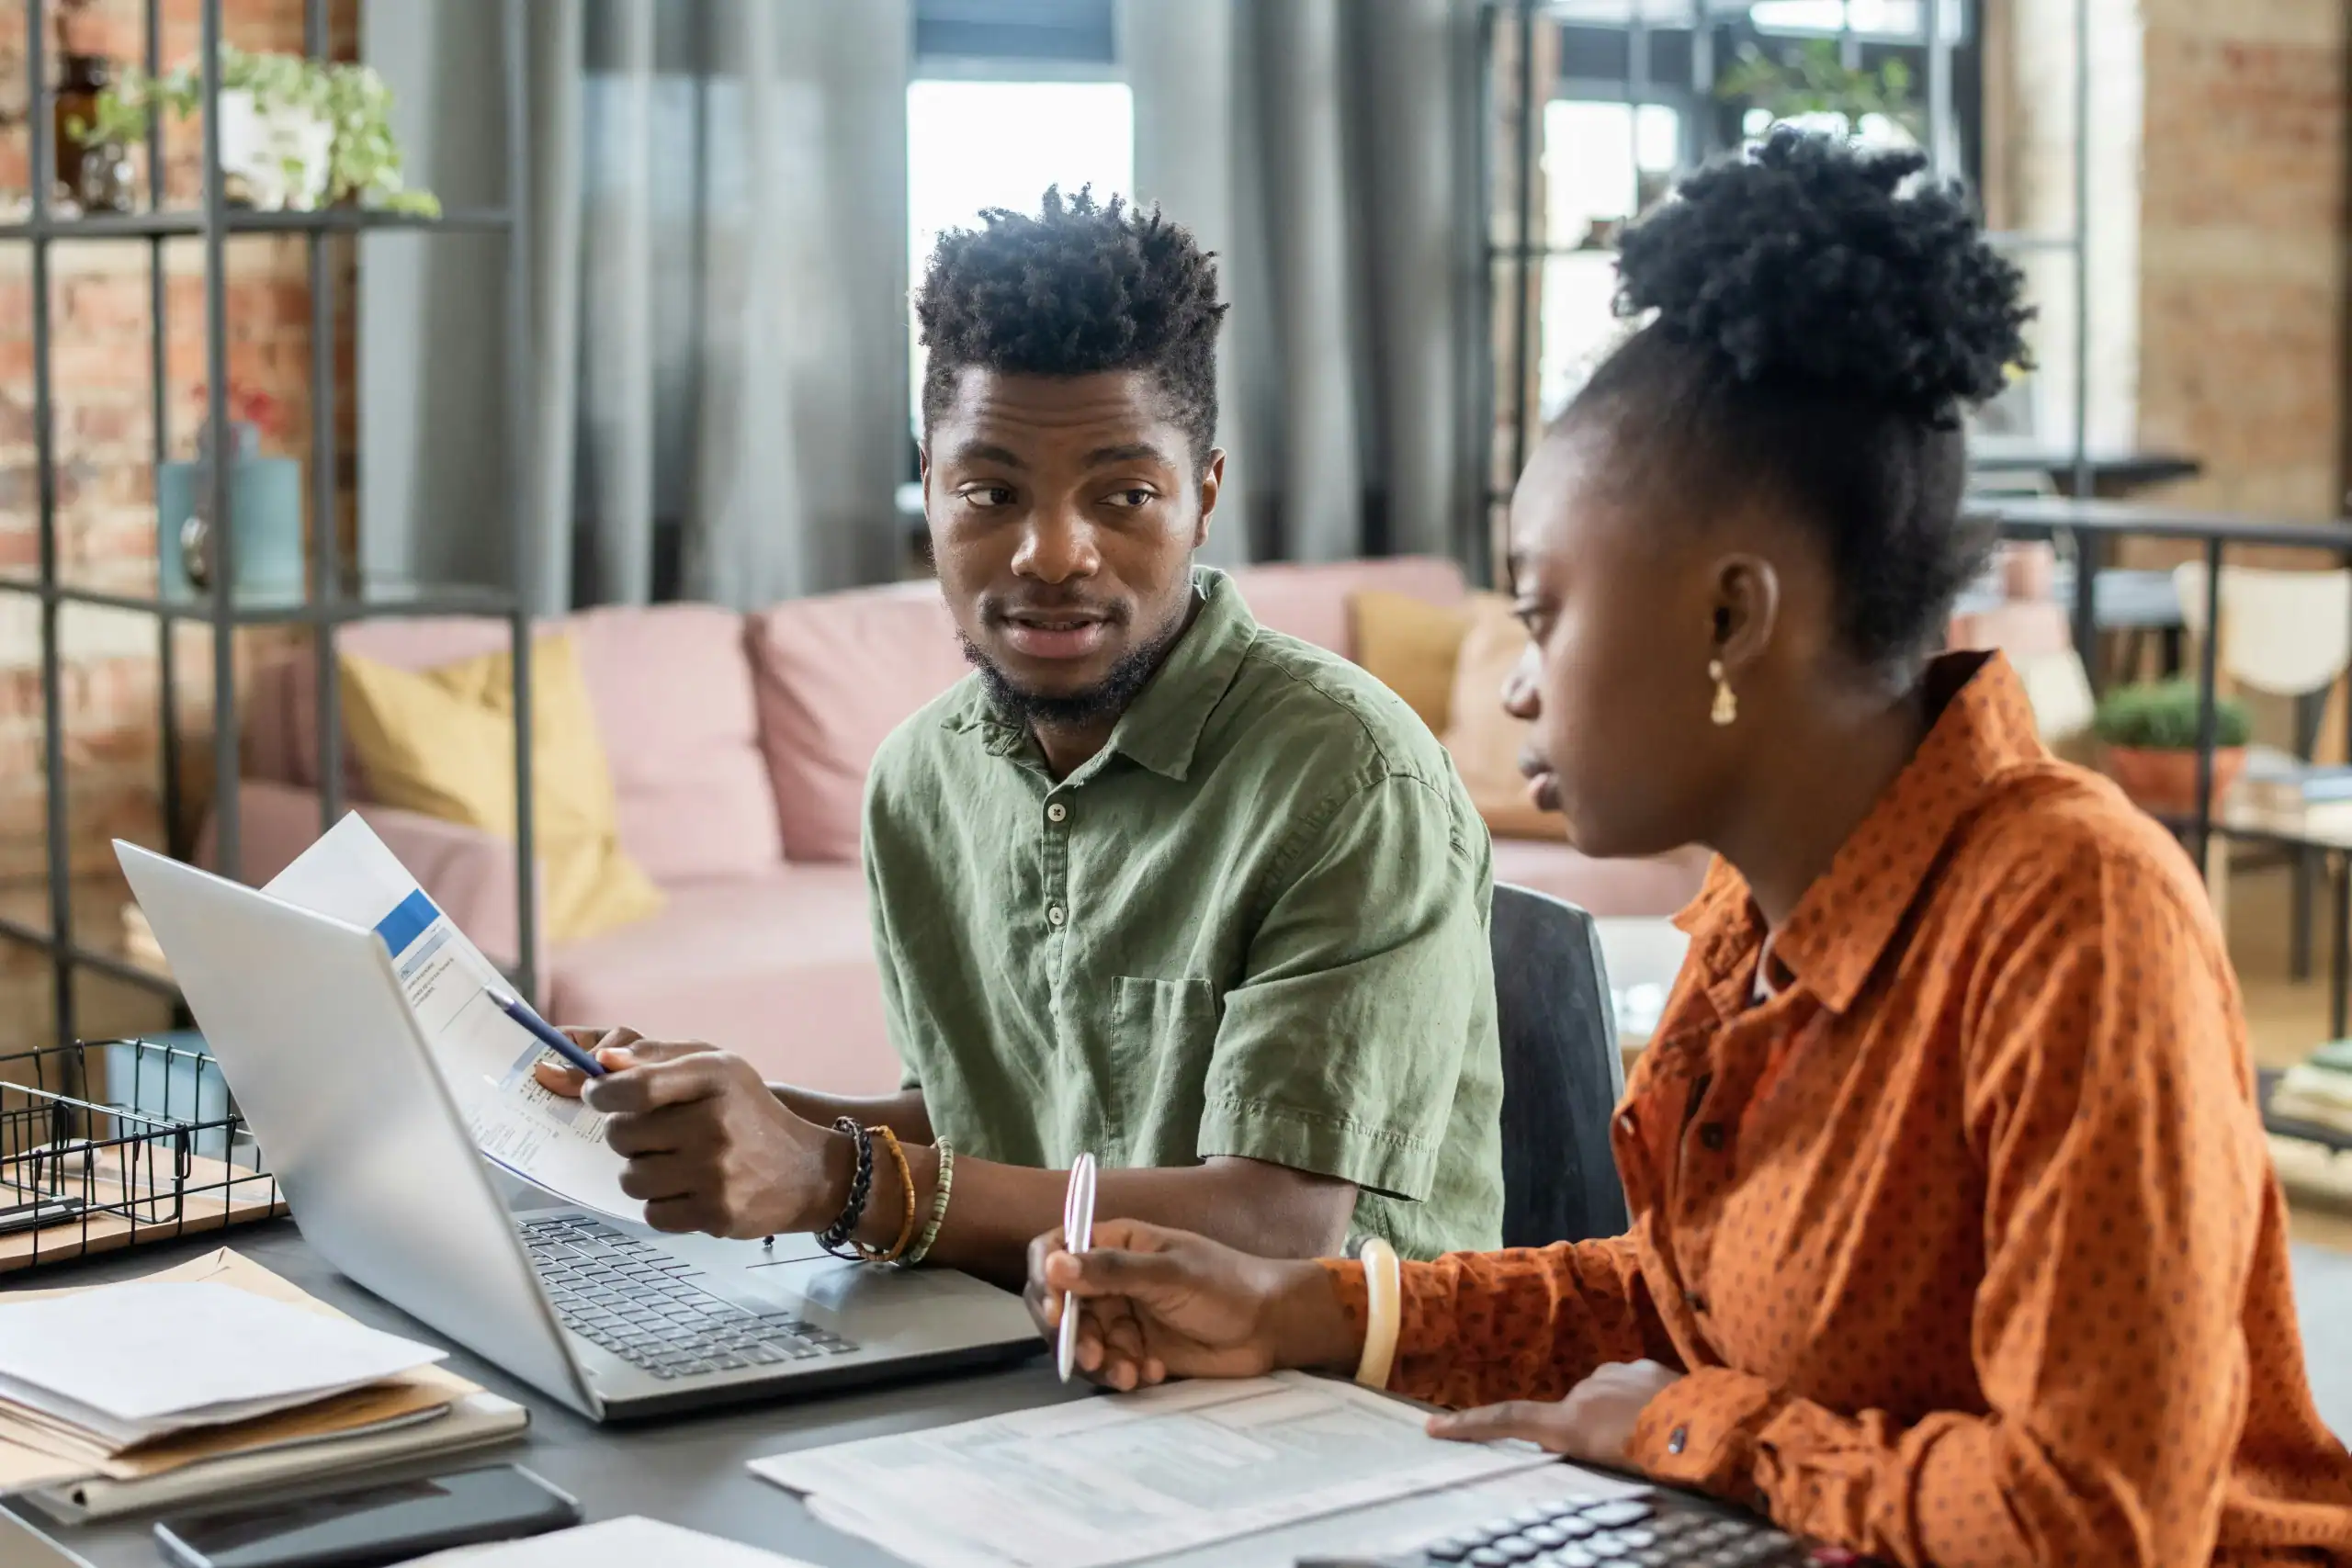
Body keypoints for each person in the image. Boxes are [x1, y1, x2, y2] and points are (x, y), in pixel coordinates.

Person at [1029, 133, 2352, 1566]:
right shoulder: (1748, 918)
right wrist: (1307, 1307)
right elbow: (1680, 1302)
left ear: (1731, 617)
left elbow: (2092, 1519)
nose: (1519, 686)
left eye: (1542, 613)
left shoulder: (2081, 914)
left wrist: (1692, 1431)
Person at [540, 188, 1504, 1284]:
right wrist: (718, 1111)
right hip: (1033, 1352)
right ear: (932, 488)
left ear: (1204, 496)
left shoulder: (1347, 776)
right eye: (990, 491)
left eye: (1125, 494)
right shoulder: (919, 777)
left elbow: (1277, 1224)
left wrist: (831, 1176)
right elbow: (975, 1124)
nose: (1051, 553)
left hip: (1329, 1413)